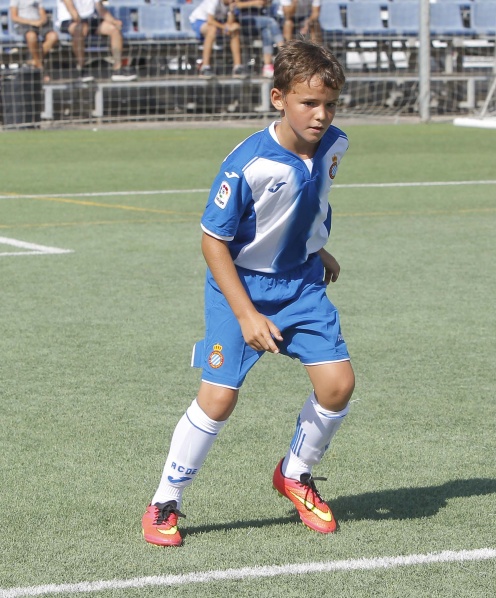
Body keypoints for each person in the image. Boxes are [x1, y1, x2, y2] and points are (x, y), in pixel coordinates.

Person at [141, 39, 352, 547]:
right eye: (309, 103)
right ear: (279, 98)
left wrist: (315, 248)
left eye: (329, 104)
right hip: (239, 285)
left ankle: (295, 475)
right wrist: (246, 315)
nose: (321, 115)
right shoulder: (247, 162)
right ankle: (164, 501)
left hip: (300, 282)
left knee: (338, 386)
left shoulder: (336, 144)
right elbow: (213, 241)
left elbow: (309, 202)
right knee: (218, 399)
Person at [56, 0, 137, 81]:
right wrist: (80, 23)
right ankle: (82, 69)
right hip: (69, 20)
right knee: (79, 29)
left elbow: (100, 8)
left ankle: (118, 69)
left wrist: (113, 21)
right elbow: (71, 8)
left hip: (90, 19)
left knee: (114, 30)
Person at [189, 0, 246, 78]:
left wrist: (231, 11)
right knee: (212, 30)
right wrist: (226, 28)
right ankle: (205, 68)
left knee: (235, 29)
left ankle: (238, 67)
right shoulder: (214, 1)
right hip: (200, 21)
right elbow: (210, 20)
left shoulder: (231, 4)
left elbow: (230, 23)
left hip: (217, 23)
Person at [233, 0, 284, 78]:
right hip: (244, 20)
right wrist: (254, 3)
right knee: (271, 22)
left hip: (260, 20)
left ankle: (267, 66)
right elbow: (236, 5)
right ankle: (284, 51)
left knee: (267, 31)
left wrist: (265, 2)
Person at [9, 0, 59, 76]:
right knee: (31, 36)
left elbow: (43, 14)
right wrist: (31, 22)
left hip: (39, 24)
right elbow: (14, 17)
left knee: (53, 36)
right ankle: (40, 67)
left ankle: (34, 59)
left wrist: (41, 21)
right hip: (24, 24)